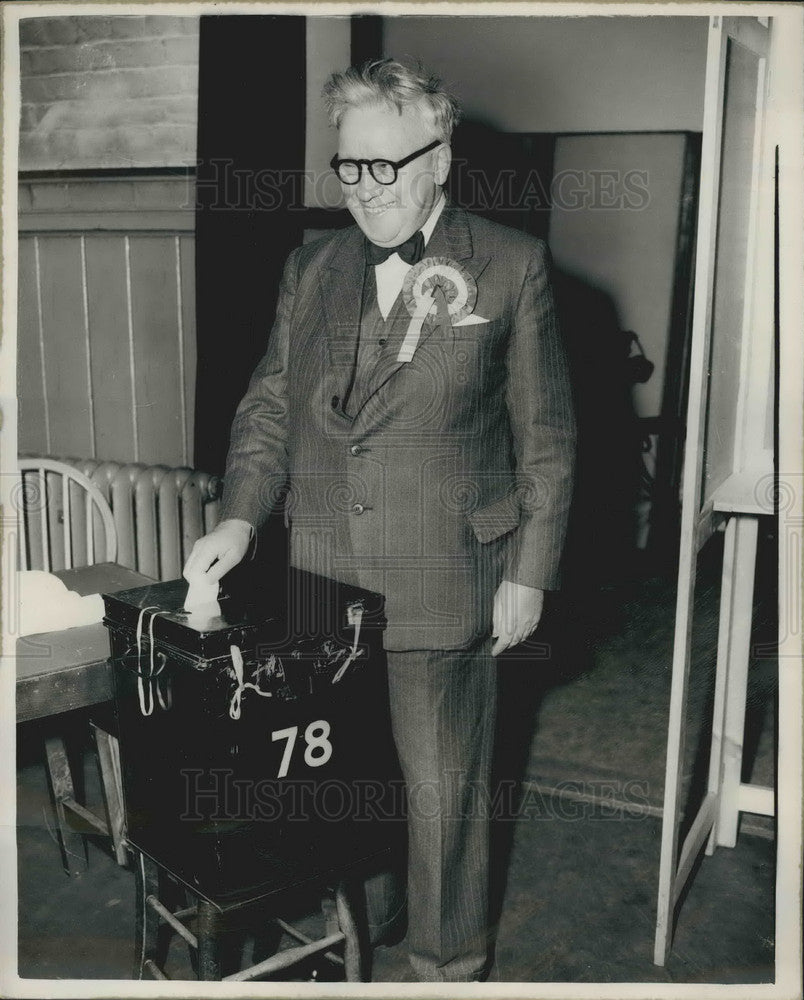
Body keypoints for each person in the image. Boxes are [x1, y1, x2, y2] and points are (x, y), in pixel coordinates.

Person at [183, 58, 576, 982]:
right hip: (321, 581)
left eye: (389, 165)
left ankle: (446, 965)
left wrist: (530, 572)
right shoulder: (310, 265)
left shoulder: (511, 266)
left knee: (446, 797)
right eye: (349, 167)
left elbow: (549, 441)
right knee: (343, 780)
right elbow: (269, 409)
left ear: (443, 159)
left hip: (448, 579)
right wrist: (239, 521)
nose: (367, 190)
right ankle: (369, 919)